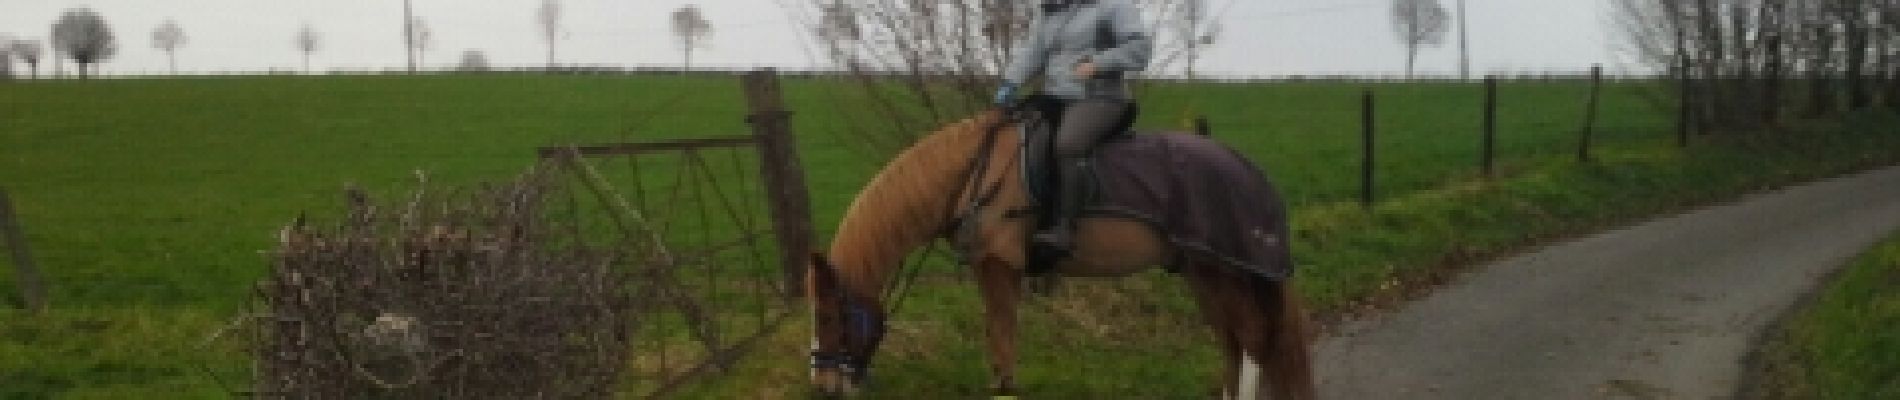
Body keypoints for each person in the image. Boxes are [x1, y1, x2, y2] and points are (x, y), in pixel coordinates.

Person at [993, 0, 1153, 252]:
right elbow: (1034, 50)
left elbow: (1140, 49)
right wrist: (1011, 81)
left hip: (1100, 97)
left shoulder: (1113, 7)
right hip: (1057, 96)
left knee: (1069, 144)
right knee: (1016, 132)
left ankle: (1065, 228)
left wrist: (1099, 64)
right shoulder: (1053, 11)